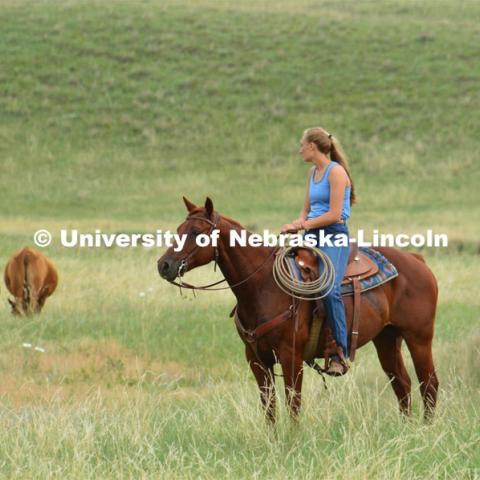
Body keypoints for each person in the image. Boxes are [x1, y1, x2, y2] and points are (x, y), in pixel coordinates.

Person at [281, 127, 356, 376]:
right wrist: (296, 224)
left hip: (334, 236)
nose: (300, 149)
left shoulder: (336, 172)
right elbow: (306, 210)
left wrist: (305, 224)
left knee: (328, 288)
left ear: (312, 146)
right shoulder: (313, 173)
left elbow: (335, 214)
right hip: (311, 235)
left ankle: (340, 352)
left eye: (302, 145)